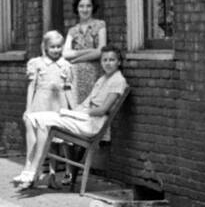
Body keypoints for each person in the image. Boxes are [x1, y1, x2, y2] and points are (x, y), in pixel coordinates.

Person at [15, 46, 127, 189]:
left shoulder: (117, 81)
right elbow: (86, 103)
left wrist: (79, 113)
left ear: (118, 62)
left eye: (112, 60)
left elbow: (102, 110)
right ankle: (31, 170)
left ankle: (32, 170)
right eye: (105, 60)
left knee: (44, 122)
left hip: (91, 124)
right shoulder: (103, 78)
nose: (108, 63)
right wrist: (73, 111)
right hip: (83, 118)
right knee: (33, 118)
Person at [23, 31, 74, 187]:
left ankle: (60, 172)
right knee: (41, 140)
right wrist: (28, 109)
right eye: (52, 47)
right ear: (45, 47)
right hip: (41, 103)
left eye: (59, 47)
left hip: (58, 104)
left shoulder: (65, 65)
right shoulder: (37, 64)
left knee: (59, 140)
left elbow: (69, 88)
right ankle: (40, 174)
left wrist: (72, 109)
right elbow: (32, 86)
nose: (56, 50)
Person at [62, 0, 106, 105]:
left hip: (95, 73)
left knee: (94, 106)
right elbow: (65, 53)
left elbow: (101, 51)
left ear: (93, 8)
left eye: (88, 6)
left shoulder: (100, 25)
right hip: (76, 76)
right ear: (77, 8)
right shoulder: (73, 30)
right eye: (81, 6)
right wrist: (90, 51)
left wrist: (77, 59)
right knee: (78, 107)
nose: (85, 10)